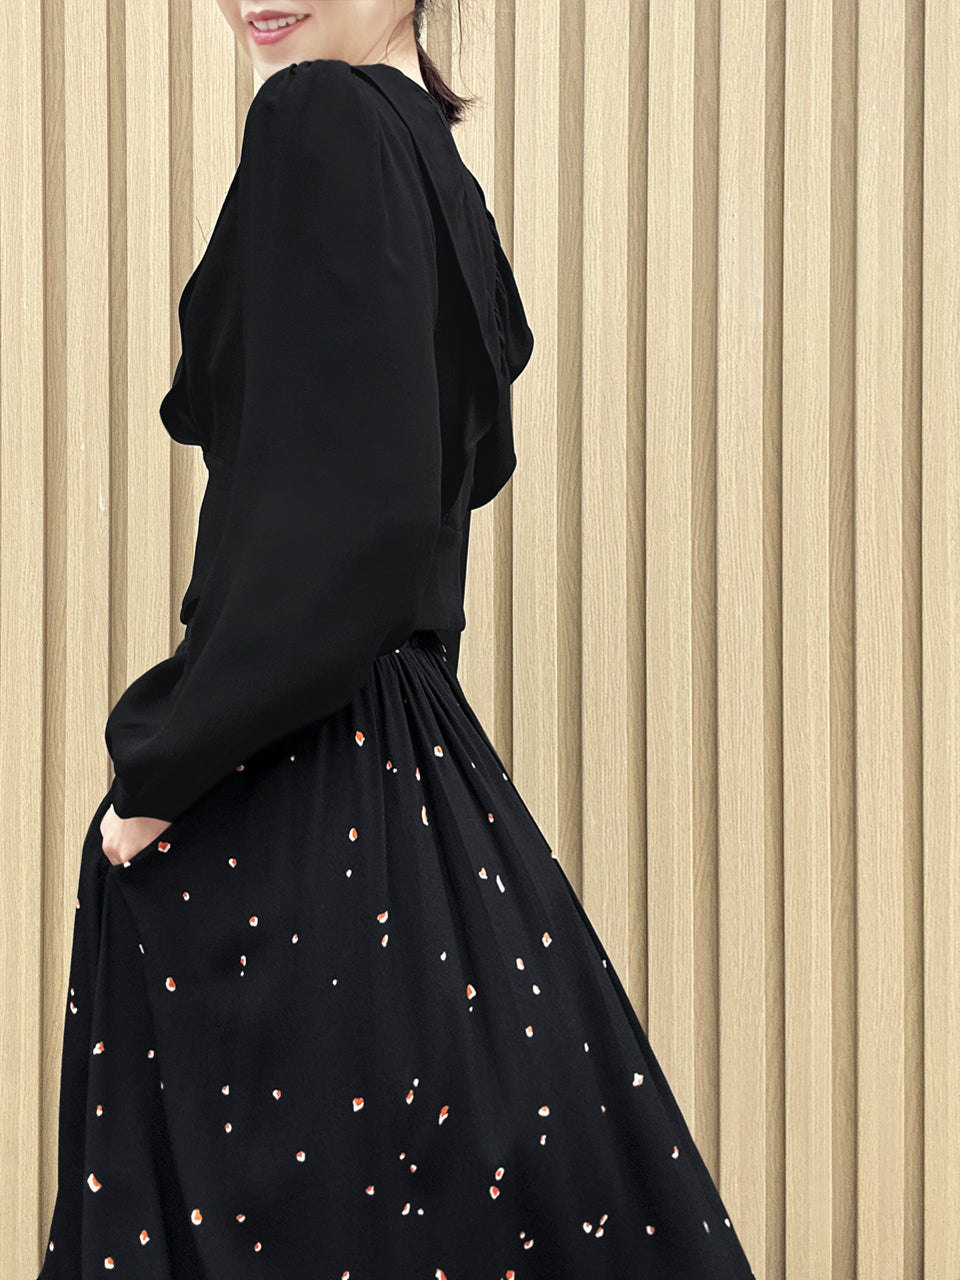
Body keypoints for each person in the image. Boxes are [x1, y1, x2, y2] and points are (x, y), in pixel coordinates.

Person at [36, 3, 758, 1277]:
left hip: (292, 793)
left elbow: (353, 523)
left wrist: (160, 771)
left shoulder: (318, 118)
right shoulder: (432, 164)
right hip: (407, 779)